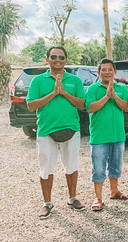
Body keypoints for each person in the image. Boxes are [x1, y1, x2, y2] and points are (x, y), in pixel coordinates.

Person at [26, 46, 86, 219]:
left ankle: (72, 198)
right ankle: (47, 203)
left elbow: (82, 104)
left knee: (72, 165)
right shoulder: (38, 81)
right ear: (47, 59)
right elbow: (31, 105)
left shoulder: (74, 81)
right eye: (53, 56)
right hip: (46, 130)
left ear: (66, 60)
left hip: (71, 129)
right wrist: (53, 93)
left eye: (61, 57)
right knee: (46, 168)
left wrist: (64, 93)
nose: (57, 59)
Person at [86, 58, 128, 211]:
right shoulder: (93, 89)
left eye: (110, 70)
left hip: (118, 135)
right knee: (98, 168)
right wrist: (106, 96)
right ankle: (98, 198)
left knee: (116, 166)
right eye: (103, 70)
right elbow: (90, 108)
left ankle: (114, 191)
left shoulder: (122, 88)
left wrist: (114, 95)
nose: (107, 72)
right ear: (99, 72)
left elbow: (126, 107)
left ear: (115, 72)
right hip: (99, 137)